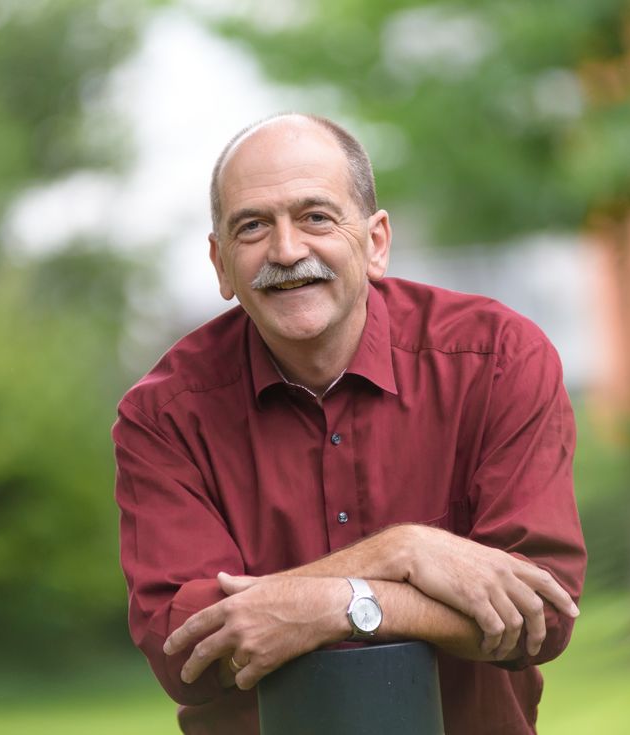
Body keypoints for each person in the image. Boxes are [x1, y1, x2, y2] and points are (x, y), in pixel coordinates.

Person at [113, 113, 586, 735]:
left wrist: (333, 604)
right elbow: (187, 647)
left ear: (376, 240)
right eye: (252, 226)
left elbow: (539, 615)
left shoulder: (498, 360)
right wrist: (403, 553)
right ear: (220, 264)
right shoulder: (165, 416)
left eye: (315, 216)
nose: (286, 251)